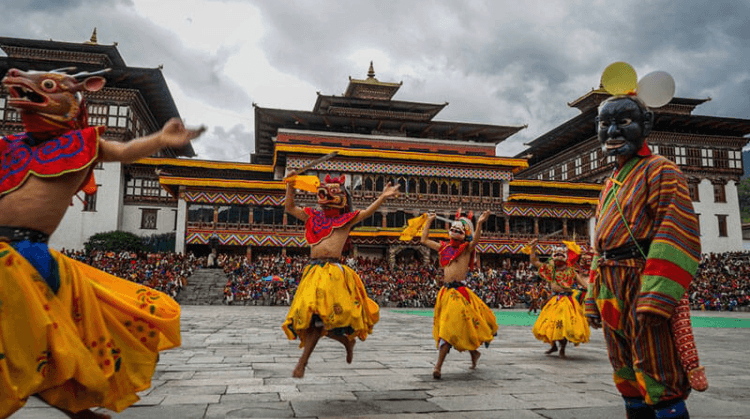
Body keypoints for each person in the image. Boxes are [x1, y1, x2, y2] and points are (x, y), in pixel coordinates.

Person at [0, 67, 205, 419]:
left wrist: (159, 139)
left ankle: (75, 406)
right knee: (42, 340)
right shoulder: (8, 147)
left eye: (47, 87)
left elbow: (125, 151)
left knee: (46, 340)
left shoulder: (85, 145)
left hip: (27, 252)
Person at [585, 93, 705, 419]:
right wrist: (594, 296)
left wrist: (657, 295)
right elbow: (601, 245)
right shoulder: (610, 183)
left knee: (657, 367)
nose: (612, 132)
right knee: (624, 372)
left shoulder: (661, 171)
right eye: (604, 124)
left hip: (642, 282)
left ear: (646, 124)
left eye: (623, 122)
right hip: (611, 285)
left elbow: (677, 231)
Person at [281, 173, 400, 378]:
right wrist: (290, 185)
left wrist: (383, 197)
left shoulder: (345, 220)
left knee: (320, 320)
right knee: (314, 320)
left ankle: (302, 363)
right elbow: (289, 208)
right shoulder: (312, 216)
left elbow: (367, 212)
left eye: (334, 192)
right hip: (313, 272)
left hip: (332, 274)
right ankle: (346, 341)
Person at [420, 210, 498, 379]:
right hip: (446, 293)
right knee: (461, 329)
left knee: (448, 329)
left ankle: (438, 366)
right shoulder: (443, 248)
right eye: (453, 228)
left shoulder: (466, 249)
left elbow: (476, 240)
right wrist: (429, 221)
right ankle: (473, 353)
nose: (456, 230)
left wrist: (479, 224)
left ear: (465, 235)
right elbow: (423, 240)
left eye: (460, 229)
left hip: (459, 294)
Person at [527, 240, 590, 358]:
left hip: (567, 301)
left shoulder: (571, 272)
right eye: (557, 255)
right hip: (554, 300)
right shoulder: (551, 270)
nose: (558, 258)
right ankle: (554, 345)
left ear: (565, 258)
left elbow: (584, 285)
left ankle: (562, 349)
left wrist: (588, 289)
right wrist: (533, 248)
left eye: (561, 255)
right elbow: (535, 261)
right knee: (551, 325)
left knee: (564, 325)